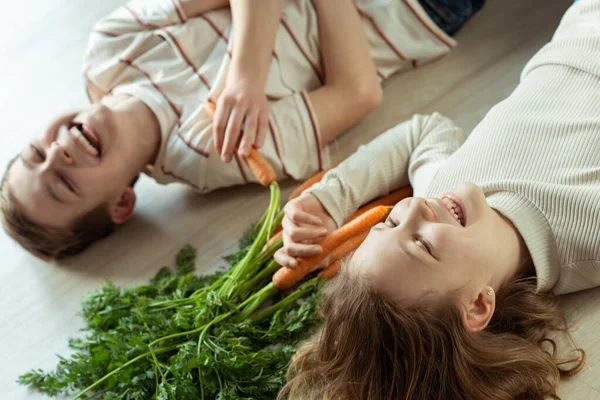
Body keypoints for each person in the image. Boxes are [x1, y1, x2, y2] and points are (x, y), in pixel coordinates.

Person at [275, 1, 597, 398]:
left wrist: (328, 198)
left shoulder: (440, 191)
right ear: (478, 305)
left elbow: (424, 131)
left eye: (389, 223)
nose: (414, 207)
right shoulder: (583, 238)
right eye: (422, 245)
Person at [0, 0, 483, 260]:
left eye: (35, 152)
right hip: (409, 10)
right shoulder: (212, 153)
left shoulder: (108, 51)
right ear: (121, 204)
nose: (56, 155)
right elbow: (358, 92)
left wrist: (246, 74)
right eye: (62, 184)